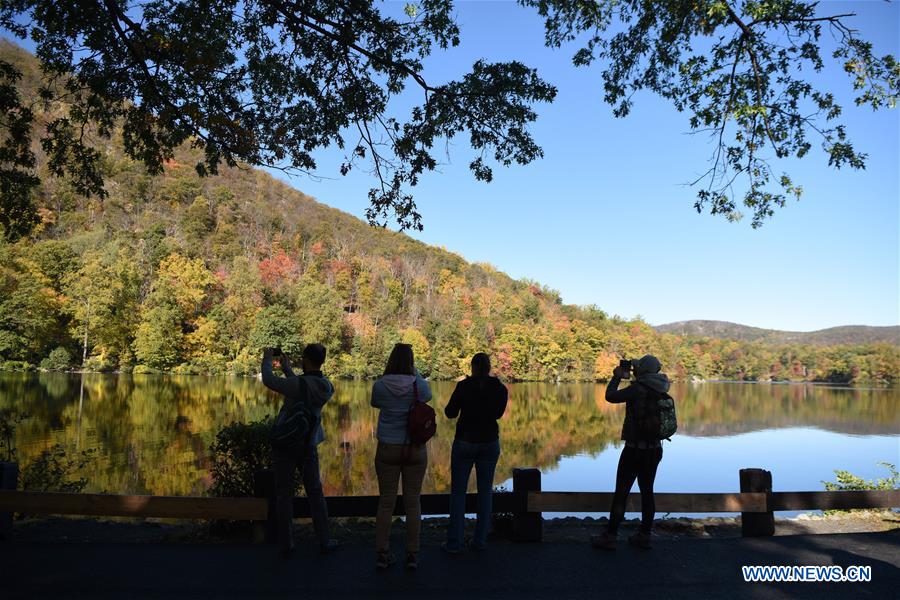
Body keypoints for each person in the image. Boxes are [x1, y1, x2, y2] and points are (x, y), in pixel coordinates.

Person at [262, 344, 338, 556]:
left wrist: (267, 359)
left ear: (305, 358)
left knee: (284, 494)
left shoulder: (299, 384)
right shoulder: (326, 386)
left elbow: (269, 380)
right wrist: (287, 369)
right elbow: (303, 388)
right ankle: (324, 540)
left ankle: (286, 543)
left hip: (286, 446)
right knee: (315, 492)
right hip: (308, 444)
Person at [592, 354, 669, 550]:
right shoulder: (662, 388)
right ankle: (644, 536)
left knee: (622, 493)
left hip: (634, 450)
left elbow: (610, 396)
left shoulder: (638, 389)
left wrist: (617, 376)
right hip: (655, 450)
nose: (634, 370)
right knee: (647, 492)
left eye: (637, 368)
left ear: (642, 370)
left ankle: (610, 537)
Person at [370, 343, 432, 570]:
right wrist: (414, 372)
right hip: (414, 450)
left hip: (388, 449)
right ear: (411, 362)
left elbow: (375, 403)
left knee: (386, 502)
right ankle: (412, 555)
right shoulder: (419, 385)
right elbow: (429, 396)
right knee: (413, 502)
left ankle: (382, 553)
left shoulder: (380, 386)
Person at [442, 352, 508, 554]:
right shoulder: (499, 388)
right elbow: (497, 414)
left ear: (472, 367)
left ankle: (455, 543)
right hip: (489, 442)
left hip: (465, 442)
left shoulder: (463, 386)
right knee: (485, 492)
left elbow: (450, 413)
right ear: (488, 367)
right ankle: (479, 541)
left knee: (458, 493)